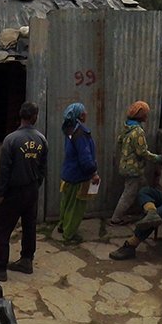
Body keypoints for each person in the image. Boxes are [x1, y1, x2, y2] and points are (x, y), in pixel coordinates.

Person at [0, 101, 48, 281]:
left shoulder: (11, 140)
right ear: (34, 117)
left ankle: (0, 268)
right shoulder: (41, 139)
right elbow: (43, 167)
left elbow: (4, 169)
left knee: (2, 228)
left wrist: (1, 193)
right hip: (32, 190)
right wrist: (36, 184)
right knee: (29, 226)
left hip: (13, 191)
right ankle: (27, 260)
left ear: (20, 116)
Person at [109, 100, 162, 225]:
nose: (147, 116)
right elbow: (142, 152)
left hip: (126, 166)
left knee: (144, 189)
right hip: (134, 169)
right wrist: (157, 158)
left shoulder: (127, 127)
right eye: (145, 114)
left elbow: (120, 142)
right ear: (141, 115)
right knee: (128, 195)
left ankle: (149, 212)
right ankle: (116, 219)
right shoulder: (138, 131)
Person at [55, 102, 98, 245]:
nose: (86, 113)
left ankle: (62, 226)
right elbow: (85, 158)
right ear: (80, 115)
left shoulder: (69, 130)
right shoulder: (81, 133)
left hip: (68, 174)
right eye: (84, 111)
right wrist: (93, 173)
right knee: (76, 207)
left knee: (66, 204)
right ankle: (69, 234)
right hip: (79, 176)